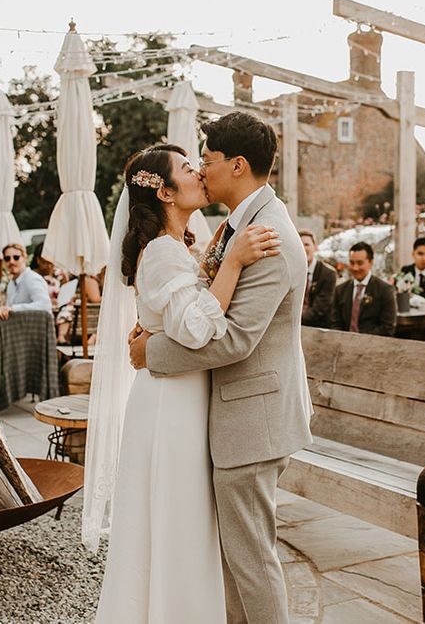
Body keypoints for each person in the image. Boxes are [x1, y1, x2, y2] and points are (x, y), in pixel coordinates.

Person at [124, 114, 313, 623]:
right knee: (234, 558)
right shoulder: (238, 227)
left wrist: (151, 353)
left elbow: (234, 339)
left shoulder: (266, 236)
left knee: (250, 561)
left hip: (252, 420)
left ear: (238, 164)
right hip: (232, 413)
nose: (202, 171)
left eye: (205, 161)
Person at [0, 242, 53, 376]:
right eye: (7, 258)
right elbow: (4, 317)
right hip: (10, 333)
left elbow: (45, 306)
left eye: (16, 257)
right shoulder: (12, 283)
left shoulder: (32, 279)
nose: (11, 261)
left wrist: (13, 309)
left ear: (24, 257)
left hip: (27, 337)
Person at [332, 242, 397, 336]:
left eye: (360, 263)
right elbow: (335, 323)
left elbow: (388, 327)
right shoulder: (340, 290)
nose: (355, 268)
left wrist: (361, 341)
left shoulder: (385, 290)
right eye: (352, 263)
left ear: (371, 262)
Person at [299, 229, 337, 328]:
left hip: (318, 329)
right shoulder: (291, 271)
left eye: (307, 244)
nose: (303, 248)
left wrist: (293, 319)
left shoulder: (328, 274)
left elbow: (320, 310)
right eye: (300, 244)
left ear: (315, 247)